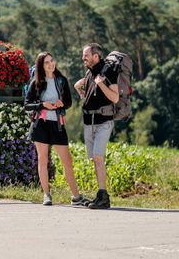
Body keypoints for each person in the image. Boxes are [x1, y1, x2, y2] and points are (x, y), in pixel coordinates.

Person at [25, 51, 89, 207]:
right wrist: (42, 105)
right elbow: (27, 105)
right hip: (40, 125)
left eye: (52, 61)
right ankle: (46, 195)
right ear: (41, 65)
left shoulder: (62, 80)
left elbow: (68, 102)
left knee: (67, 161)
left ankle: (76, 196)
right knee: (42, 159)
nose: (51, 64)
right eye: (46, 62)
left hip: (58, 125)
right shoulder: (36, 83)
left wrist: (62, 104)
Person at [74, 43, 119, 209]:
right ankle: (100, 195)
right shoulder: (89, 72)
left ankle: (103, 196)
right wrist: (78, 88)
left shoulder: (108, 72)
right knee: (95, 158)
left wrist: (101, 84)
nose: (83, 58)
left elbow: (114, 98)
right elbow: (81, 84)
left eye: (86, 55)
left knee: (98, 157)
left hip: (103, 122)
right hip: (89, 122)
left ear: (96, 56)